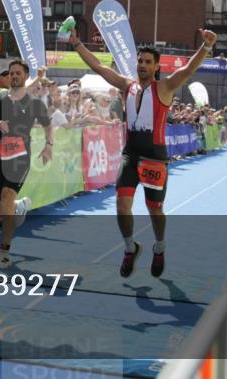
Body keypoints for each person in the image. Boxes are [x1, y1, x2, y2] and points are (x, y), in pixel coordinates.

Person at [68, 26, 217, 278]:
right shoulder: (127, 86)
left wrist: (206, 46)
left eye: (148, 62)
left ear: (157, 66)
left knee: (154, 209)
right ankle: (130, 248)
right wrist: (76, 44)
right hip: (131, 154)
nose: (142, 65)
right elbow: (99, 68)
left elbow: (188, 69)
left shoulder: (165, 87)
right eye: (139, 61)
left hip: (155, 158)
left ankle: (159, 247)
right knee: (121, 204)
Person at [0, 59, 53, 269]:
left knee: (7, 197)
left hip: (20, 158)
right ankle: (19, 207)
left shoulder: (35, 103)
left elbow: (48, 125)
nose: (14, 76)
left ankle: (4, 254)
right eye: (11, 73)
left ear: (26, 76)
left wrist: (48, 145)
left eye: (18, 73)